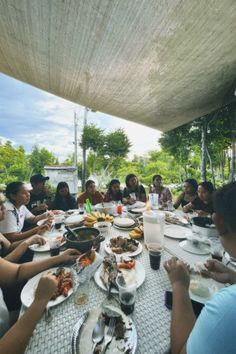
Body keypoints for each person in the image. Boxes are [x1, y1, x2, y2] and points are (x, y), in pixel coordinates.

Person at [0, 191, 80, 353]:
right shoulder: (10, 210)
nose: (4, 208)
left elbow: (17, 271)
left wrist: (60, 258)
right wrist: (40, 300)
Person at [164, 182, 236, 354]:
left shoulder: (229, 306)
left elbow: (180, 350)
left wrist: (179, 285)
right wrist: (232, 276)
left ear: (217, 221)